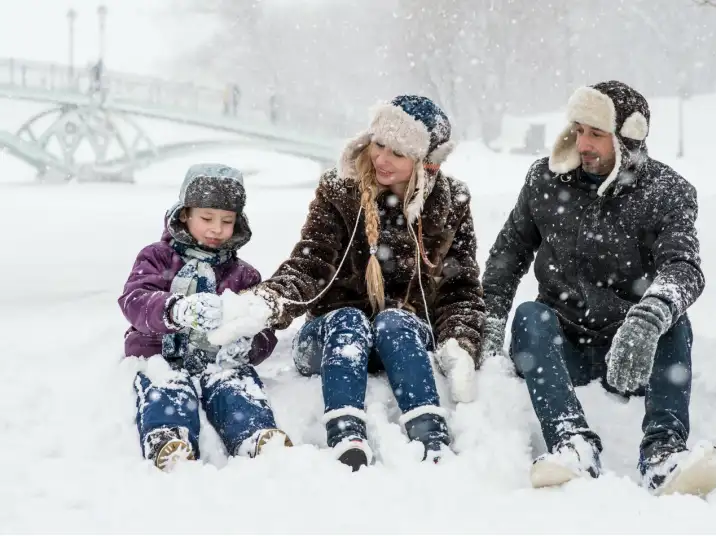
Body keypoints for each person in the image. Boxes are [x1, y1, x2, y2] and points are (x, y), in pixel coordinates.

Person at [480, 81, 716, 497]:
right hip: (562, 346)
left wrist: (648, 319)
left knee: (674, 321)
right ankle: (572, 443)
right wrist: (488, 325)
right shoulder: (544, 180)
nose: (583, 143)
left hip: (633, 353)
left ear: (627, 139)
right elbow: (507, 257)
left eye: (596, 134)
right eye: (578, 130)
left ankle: (664, 454)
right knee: (529, 316)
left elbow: (684, 267)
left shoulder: (667, 192)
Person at [224, 95, 485, 471]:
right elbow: (310, 264)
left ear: (424, 163)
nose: (381, 158)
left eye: (397, 152)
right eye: (379, 143)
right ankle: (346, 434)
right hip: (331, 338)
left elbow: (459, 288)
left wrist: (462, 342)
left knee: (394, 320)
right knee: (350, 319)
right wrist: (268, 301)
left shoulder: (450, 202)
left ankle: (431, 434)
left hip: (401, 340)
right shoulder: (339, 190)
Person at [118, 163, 292, 471]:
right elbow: (135, 300)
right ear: (185, 214)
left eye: (227, 221)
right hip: (159, 354)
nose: (216, 229)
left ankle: (255, 434)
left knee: (235, 385)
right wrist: (175, 309)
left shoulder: (244, 275)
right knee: (167, 386)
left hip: (217, 360)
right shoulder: (157, 257)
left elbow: (262, 328)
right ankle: (168, 437)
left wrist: (248, 345)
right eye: (207, 218)